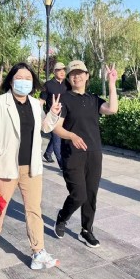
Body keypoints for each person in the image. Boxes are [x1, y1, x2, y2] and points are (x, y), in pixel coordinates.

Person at [0, 62, 62, 270]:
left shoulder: (35, 104)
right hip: (5, 164)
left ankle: (38, 251)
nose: (24, 81)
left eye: (28, 78)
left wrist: (52, 113)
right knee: (0, 204)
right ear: (11, 80)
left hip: (31, 167)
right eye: (19, 78)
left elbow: (44, 127)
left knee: (34, 210)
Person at [52, 60, 119, 248]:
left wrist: (112, 84)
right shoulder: (64, 99)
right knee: (78, 194)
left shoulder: (93, 99)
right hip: (72, 153)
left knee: (91, 194)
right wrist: (71, 136)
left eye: (80, 73)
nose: (77, 77)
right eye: (73, 74)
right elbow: (56, 128)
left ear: (87, 76)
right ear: (69, 78)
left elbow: (112, 109)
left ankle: (86, 230)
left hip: (94, 153)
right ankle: (62, 216)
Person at [40, 62, 67, 168]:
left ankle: (47, 153)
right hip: (52, 117)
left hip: (64, 117)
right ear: (54, 71)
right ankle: (63, 166)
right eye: (59, 70)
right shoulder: (48, 85)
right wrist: (41, 117)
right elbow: (41, 102)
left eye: (63, 70)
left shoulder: (67, 84)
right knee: (57, 141)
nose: (62, 72)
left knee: (57, 138)